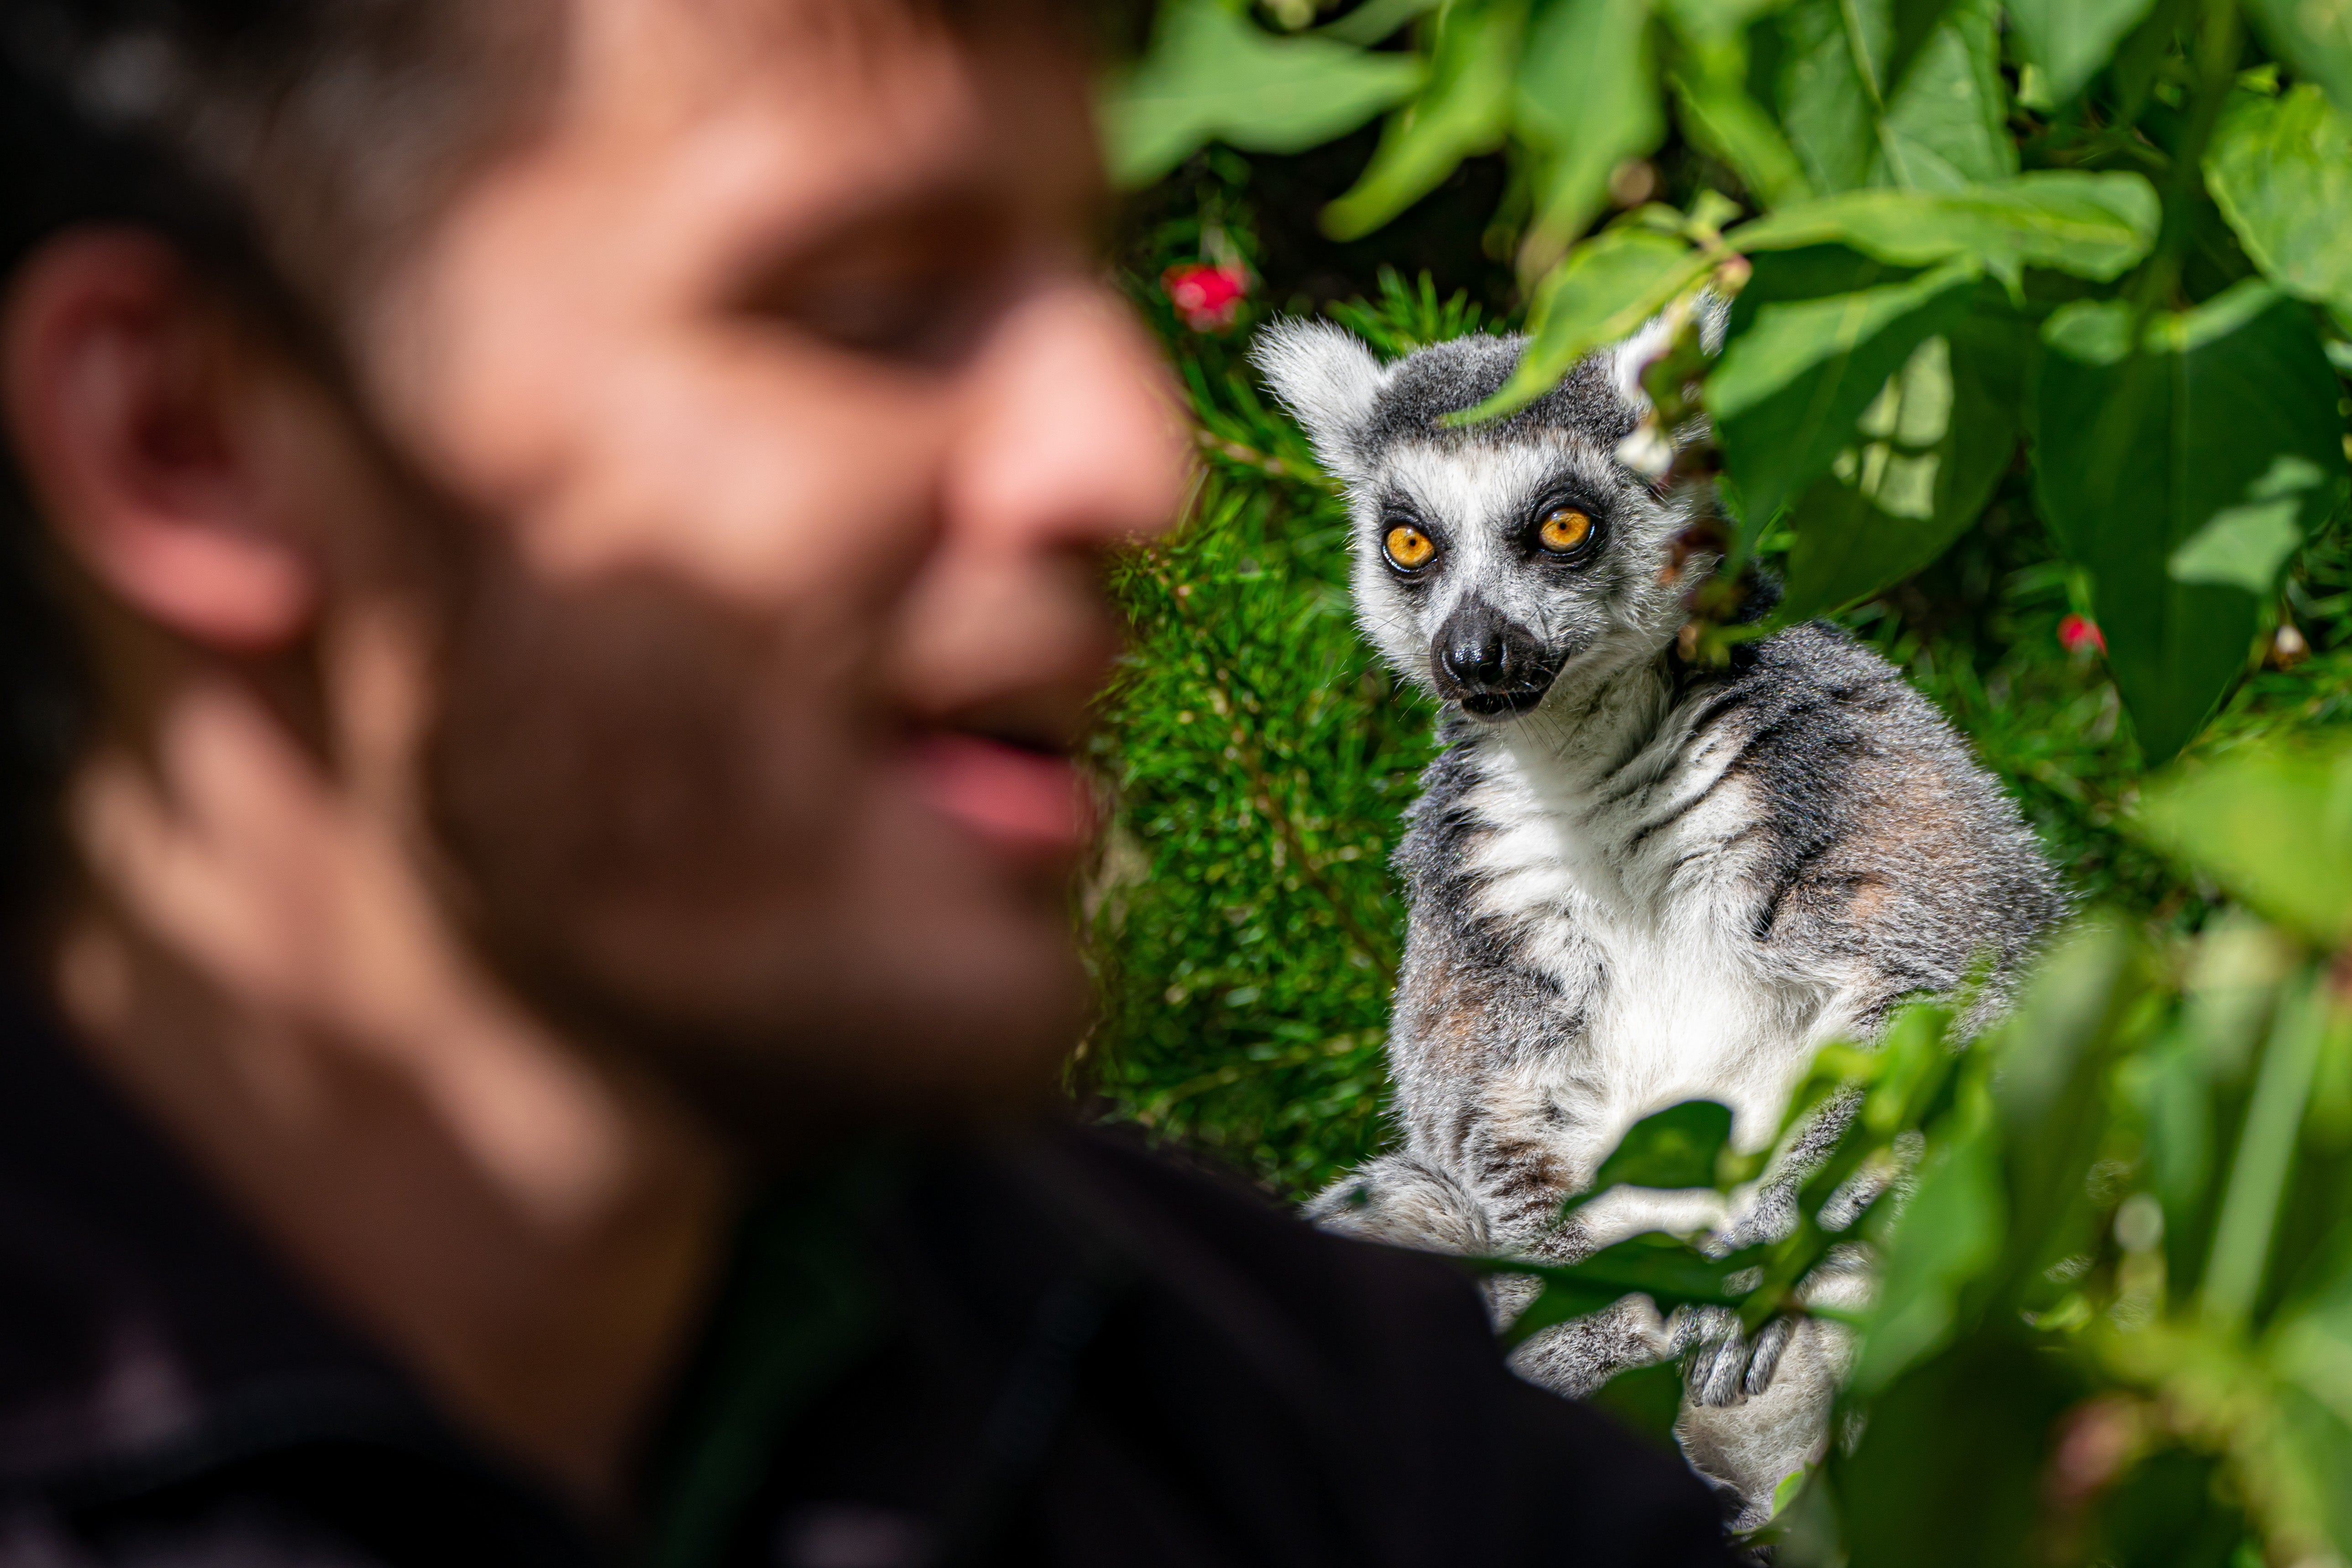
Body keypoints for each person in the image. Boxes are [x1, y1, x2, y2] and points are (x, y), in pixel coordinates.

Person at [0, 1, 1739, 1563]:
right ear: (190, 444)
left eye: (1085, 269)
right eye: (866, 304)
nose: (1132, 465)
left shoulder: (1292, 1428)